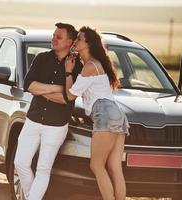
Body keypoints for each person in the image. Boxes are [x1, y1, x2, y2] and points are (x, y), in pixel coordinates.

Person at [14, 23, 82, 200]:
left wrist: (43, 91)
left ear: (69, 42)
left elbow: (68, 99)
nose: (53, 39)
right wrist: (57, 88)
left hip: (56, 126)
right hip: (33, 119)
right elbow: (29, 85)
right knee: (20, 162)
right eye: (53, 35)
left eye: (58, 37)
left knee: (43, 169)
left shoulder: (77, 67)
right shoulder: (41, 58)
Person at [64, 26, 129, 200]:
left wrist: (68, 71)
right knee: (115, 166)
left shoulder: (90, 66)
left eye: (79, 39)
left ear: (88, 44)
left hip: (104, 114)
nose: (75, 41)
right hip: (117, 113)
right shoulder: (94, 64)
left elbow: (70, 94)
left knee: (97, 165)